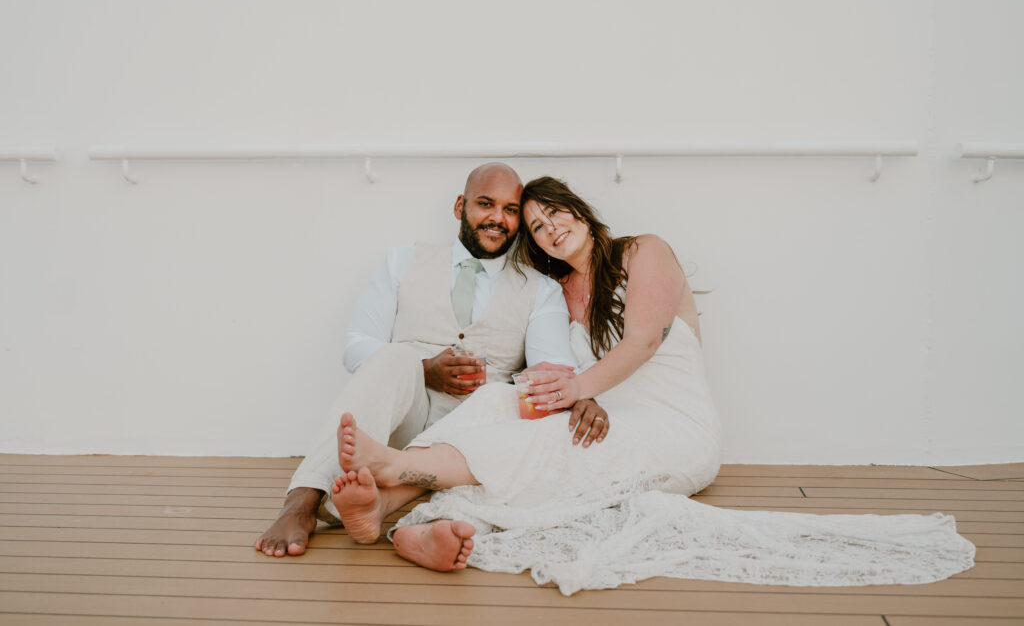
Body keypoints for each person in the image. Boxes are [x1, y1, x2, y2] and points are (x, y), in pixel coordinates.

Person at [330, 177, 975, 594]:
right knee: (502, 400)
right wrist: (560, 388)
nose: (550, 227)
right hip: (598, 410)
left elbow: (639, 343)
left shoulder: (645, 252)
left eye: (556, 212)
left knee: (555, 450)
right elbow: (556, 370)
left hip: (671, 429)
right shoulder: (555, 290)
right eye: (537, 226)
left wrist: (580, 389)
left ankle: (394, 475)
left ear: (580, 212)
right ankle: (390, 514)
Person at [255, 164, 609, 557]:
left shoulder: (540, 288)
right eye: (485, 204)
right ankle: (301, 505)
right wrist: (424, 369)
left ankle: (408, 518)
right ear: (460, 206)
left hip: (473, 434)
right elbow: (356, 346)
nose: (497, 218)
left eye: (510, 210)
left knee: (508, 403)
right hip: (401, 421)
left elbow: (550, 371)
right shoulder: (401, 261)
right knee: (396, 356)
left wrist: (582, 394)